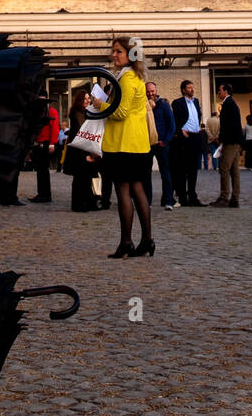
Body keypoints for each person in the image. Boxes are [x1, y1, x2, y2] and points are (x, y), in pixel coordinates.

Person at [102, 36, 154, 257]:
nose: (114, 55)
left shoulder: (125, 78)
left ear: (129, 54)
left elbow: (120, 112)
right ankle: (147, 240)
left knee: (123, 190)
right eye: (113, 51)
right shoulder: (137, 77)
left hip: (123, 143)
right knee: (138, 189)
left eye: (118, 52)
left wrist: (99, 104)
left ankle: (126, 242)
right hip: (138, 144)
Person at [65, 86, 100, 213]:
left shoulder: (83, 112)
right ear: (79, 100)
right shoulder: (78, 113)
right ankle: (79, 204)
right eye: (85, 99)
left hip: (82, 148)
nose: (88, 101)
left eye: (88, 99)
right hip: (79, 150)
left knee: (85, 177)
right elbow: (82, 131)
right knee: (81, 178)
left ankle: (86, 202)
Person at [170, 79, 204, 206]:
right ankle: (183, 196)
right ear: (183, 90)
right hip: (185, 138)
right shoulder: (177, 102)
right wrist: (180, 130)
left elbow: (197, 116)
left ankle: (193, 196)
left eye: (192, 87)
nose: (192, 89)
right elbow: (174, 119)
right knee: (183, 169)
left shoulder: (196, 101)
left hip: (195, 137)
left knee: (193, 169)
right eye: (189, 87)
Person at [211, 82, 244, 208]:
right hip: (235, 140)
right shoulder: (231, 103)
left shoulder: (228, 104)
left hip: (231, 141)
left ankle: (224, 197)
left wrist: (221, 138)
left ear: (226, 91)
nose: (218, 92)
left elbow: (228, 125)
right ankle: (234, 198)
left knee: (224, 168)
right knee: (234, 170)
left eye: (220, 90)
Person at [146, 81, 176, 209]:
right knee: (146, 174)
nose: (150, 93)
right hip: (147, 145)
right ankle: (147, 202)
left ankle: (168, 201)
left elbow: (172, 124)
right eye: (148, 91)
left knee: (165, 173)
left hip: (161, 143)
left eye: (152, 91)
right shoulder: (143, 106)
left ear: (156, 91)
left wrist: (166, 140)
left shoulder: (163, 105)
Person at [30, 96, 60, 204]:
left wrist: (52, 143)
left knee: (43, 170)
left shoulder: (51, 112)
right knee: (40, 171)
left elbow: (55, 128)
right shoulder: (38, 112)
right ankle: (41, 194)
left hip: (46, 144)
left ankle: (45, 195)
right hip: (38, 144)